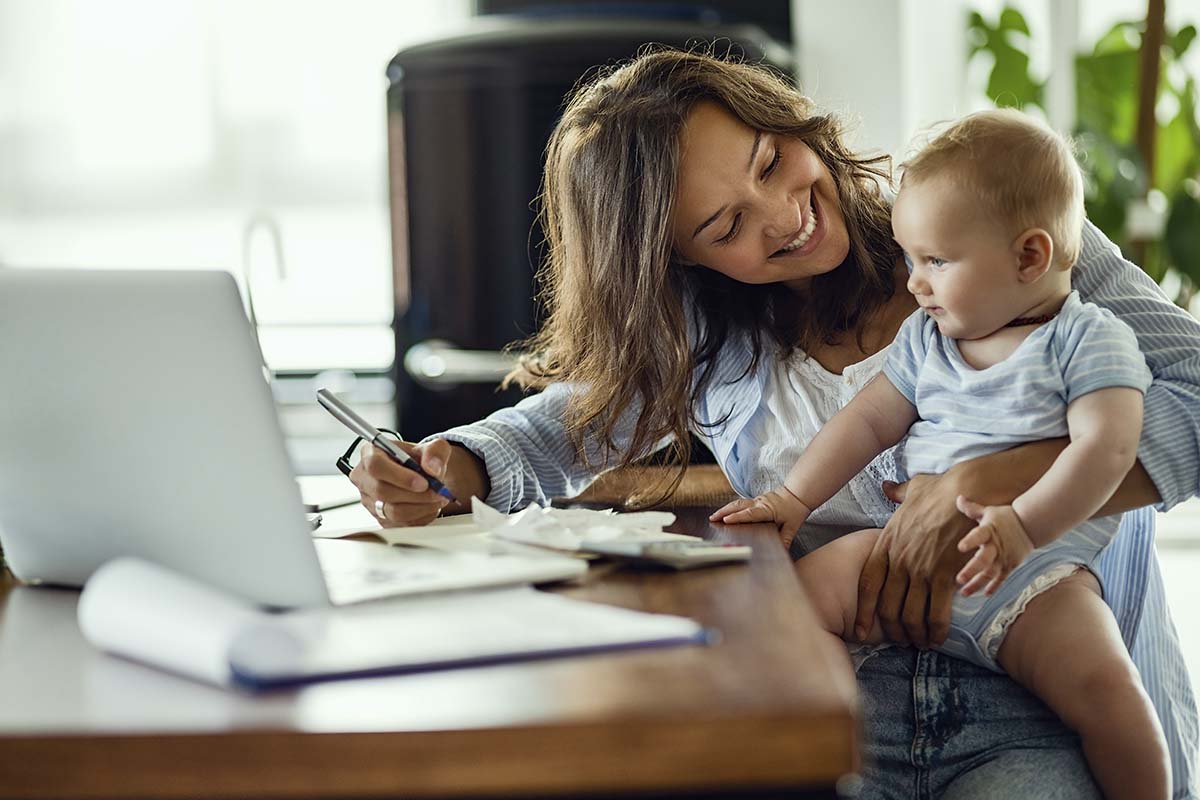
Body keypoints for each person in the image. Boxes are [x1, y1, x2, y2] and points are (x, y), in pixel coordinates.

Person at [349, 49, 1199, 798]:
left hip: (1042, 688)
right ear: (678, 259)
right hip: (843, 695)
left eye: (772, 161)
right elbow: (560, 427)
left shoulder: (989, 223)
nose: (783, 214)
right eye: (726, 226)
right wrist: (444, 463)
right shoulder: (712, 334)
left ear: (790, 121)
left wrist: (987, 482)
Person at [711, 108, 1168, 798]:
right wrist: (794, 497)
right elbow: (865, 422)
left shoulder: (1088, 342)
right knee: (787, 606)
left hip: (1035, 579)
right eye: (910, 260)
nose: (915, 283)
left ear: (1029, 257)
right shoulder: (930, 339)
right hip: (900, 551)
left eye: (936, 262)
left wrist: (1023, 525)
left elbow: (1107, 451)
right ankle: (843, 736)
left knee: (1110, 693)